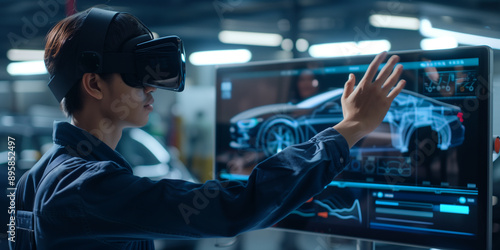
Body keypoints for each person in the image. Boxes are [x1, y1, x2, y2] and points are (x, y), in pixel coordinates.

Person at [10, 7, 405, 250]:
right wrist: (349, 128)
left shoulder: (38, 177)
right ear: (94, 85)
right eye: (136, 75)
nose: (151, 89)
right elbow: (232, 206)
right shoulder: (87, 189)